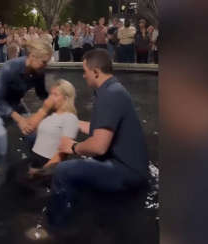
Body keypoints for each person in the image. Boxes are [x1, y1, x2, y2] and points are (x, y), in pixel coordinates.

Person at [45, 49, 149, 231]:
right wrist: (72, 122)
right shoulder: (112, 89)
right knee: (80, 167)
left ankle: (53, 229)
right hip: (133, 167)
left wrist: (73, 147)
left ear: (95, 72)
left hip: (127, 172)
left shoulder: (110, 95)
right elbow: (99, 129)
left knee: (63, 171)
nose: (83, 75)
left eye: (85, 70)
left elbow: (99, 146)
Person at [0, 39, 54, 194]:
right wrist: (20, 119)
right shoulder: (10, 68)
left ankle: (34, 168)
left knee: (34, 132)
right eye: (44, 62)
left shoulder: (39, 72)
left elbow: (42, 94)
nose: (45, 66)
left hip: (15, 103)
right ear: (33, 56)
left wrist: (57, 101)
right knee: (0, 137)